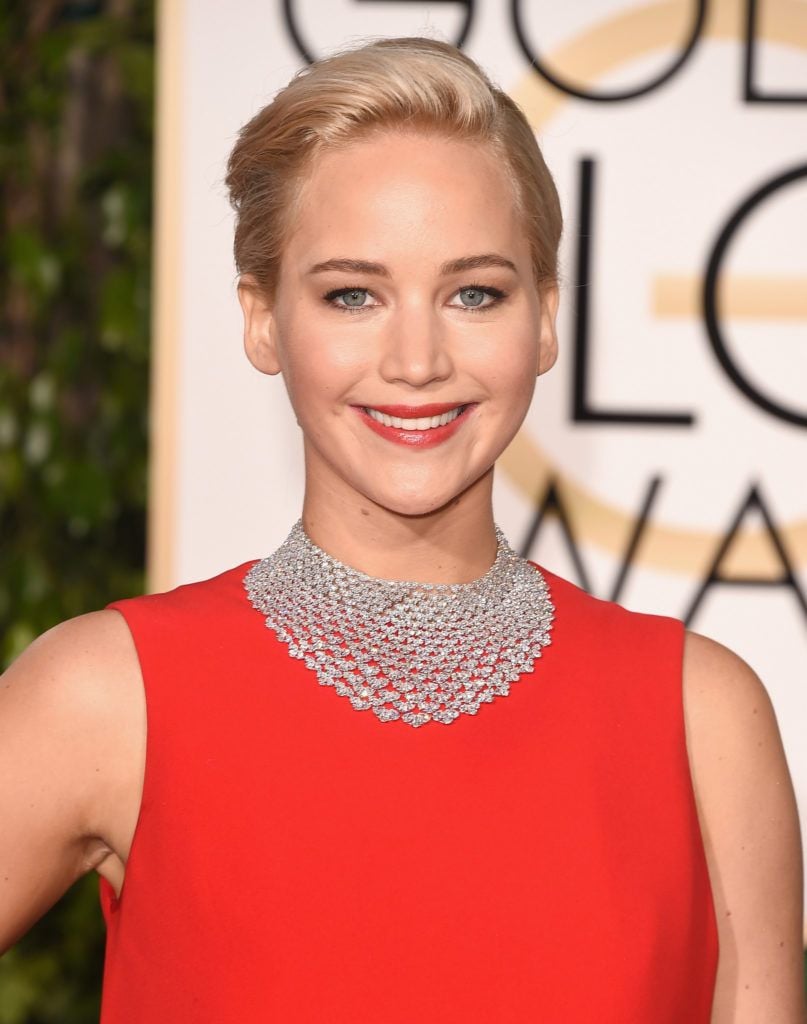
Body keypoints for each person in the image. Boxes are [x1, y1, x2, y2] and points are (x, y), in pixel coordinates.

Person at [1, 35, 804, 1023]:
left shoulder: (704, 719)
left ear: (545, 317)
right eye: (353, 294)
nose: (417, 358)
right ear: (262, 319)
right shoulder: (108, 695)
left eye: (475, 293)